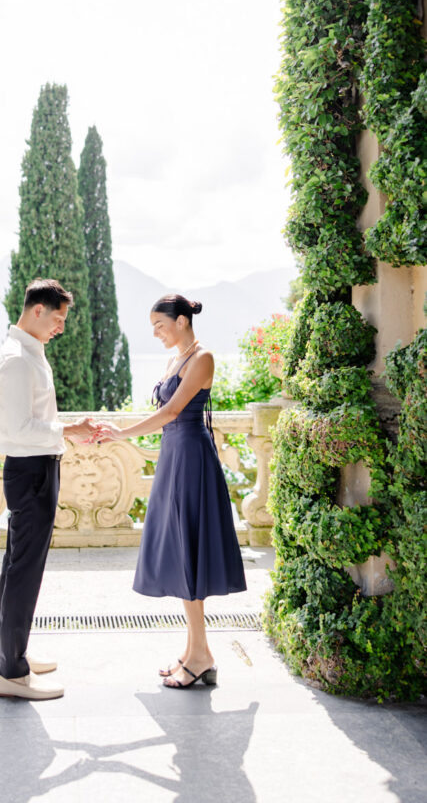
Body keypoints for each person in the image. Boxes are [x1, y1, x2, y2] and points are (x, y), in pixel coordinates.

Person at [97, 293, 246, 688]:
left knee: (190, 552)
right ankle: (193, 651)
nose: (156, 334)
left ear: (182, 321)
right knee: (183, 552)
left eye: (160, 326)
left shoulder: (203, 358)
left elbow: (171, 412)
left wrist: (120, 434)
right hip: (174, 458)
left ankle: (202, 655)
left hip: (192, 460)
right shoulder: (175, 360)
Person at [0, 278, 97, 701]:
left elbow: (34, 419)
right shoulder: (17, 359)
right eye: (58, 318)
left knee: (17, 565)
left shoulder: (29, 353)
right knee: (24, 571)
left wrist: (66, 432)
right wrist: (70, 429)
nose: (61, 327)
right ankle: (12, 674)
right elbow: (17, 429)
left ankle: (9, 655)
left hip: (36, 467)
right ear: (37, 310)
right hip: (31, 471)